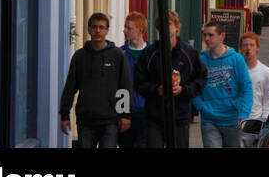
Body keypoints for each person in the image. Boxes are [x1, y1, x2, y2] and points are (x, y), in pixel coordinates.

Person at [59, 12, 133, 148]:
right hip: (86, 121)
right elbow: (70, 87)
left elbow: (125, 86)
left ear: (107, 30)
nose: (98, 31)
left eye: (101, 27)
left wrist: (126, 115)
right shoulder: (79, 57)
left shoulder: (117, 55)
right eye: (94, 27)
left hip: (110, 120)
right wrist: (64, 115)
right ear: (88, 29)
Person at [135, 11, 206, 148]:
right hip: (154, 117)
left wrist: (183, 90)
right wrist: (156, 90)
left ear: (177, 26)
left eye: (169, 24)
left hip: (180, 117)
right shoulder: (149, 53)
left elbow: (201, 78)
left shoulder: (189, 53)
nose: (165, 28)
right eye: (161, 24)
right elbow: (139, 82)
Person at [194, 21, 254, 148]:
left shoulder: (236, 59)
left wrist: (244, 113)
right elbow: (194, 86)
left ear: (222, 36)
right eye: (204, 35)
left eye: (211, 35)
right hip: (210, 120)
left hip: (233, 119)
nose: (206, 39)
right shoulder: (201, 61)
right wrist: (201, 106)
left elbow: (247, 88)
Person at [239, 31, 269, 147]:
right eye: (245, 45)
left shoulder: (266, 72)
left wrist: (264, 120)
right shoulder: (235, 70)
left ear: (257, 48)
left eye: (251, 45)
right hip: (235, 121)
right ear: (240, 48)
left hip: (255, 121)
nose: (248, 48)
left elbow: (268, 98)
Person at [118, 12, 148, 148]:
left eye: (129, 28)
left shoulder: (153, 54)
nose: (124, 31)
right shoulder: (120, 54)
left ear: (140, 30)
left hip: (147, 113)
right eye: (125, 27)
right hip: (126, 114)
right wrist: (122, 113)